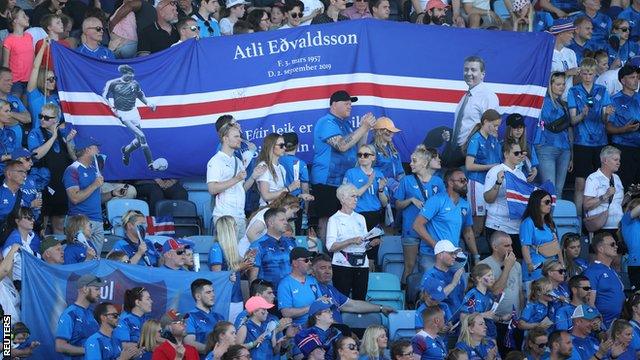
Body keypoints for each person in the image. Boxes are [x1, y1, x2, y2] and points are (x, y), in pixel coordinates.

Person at [310, 90, 376, 241]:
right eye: (346, 103)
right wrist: (363, 128)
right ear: (334, 104)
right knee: (327, 218)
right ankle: (326, 256)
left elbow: (360, 147)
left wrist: (365, 130)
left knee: (344, 217)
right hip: (326, 181)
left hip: (344, 181)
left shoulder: (346, 124)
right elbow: (341, 146)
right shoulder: (327, 122)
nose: (349, 105)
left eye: (350, 103)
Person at [569, 57, 614, 216]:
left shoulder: (602, 90)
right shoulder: (573, 91)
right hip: (581, 142)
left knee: (600, 184)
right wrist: (582, 115)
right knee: (580, 184)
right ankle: (578, 222)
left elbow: (604, 120)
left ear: (596, 73)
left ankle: (597, 219)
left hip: (600, 143)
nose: (588, 77)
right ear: (580, 73)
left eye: (591, 74)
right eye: (585, 73)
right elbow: (573, 120)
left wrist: (607, 115)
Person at [207, 119, 264, 241]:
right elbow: (212, 189)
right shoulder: (216, 161)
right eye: (236, 136)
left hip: (239, 216)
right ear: (225, 138)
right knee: (228, 256)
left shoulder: (237, 161)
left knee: (239, 256)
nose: (240, 139)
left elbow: (241, 189)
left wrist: (253, 176)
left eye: (240, 136)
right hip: (224, 216)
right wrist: (236, 179)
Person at [395, 145, 444, 284]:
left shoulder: (438, 182)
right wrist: (410, 200)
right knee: (409, 266)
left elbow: (443, 204)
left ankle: (426, 297)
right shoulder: (407, 180)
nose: (410, 164)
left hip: (431, 232)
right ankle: (405, 299)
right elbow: (397, 205)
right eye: (411, 160)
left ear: (424, 162)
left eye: (414, 161)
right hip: (411, 230)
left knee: (431, 267)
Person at [412, 167, 477, 272]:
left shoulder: (465, 204)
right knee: (432, 287)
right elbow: (417, 225)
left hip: (454, 257)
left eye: (466, 180)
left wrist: (476, 256)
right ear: (450, 183)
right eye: (461, 180)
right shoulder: (436, 200)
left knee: (458, 286)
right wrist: (437, 246)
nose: (465, 183)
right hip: (431, 255)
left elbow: (468, 232)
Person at [444, 55, 499, 168]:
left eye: (473, 70)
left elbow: (492, 130)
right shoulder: (466, 96)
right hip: (457, 153)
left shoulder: (488, 96)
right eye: (466, 69)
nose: (468, 73)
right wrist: (451, 137)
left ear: (483, 74)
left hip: (474, 156)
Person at [28, 102, 75, 235]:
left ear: (56, 119)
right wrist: (53, 137)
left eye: (47, 117)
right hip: (41, 184)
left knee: (59, 226)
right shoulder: (35, 133)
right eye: (41, 116)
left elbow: (73, 158)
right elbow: (36, 155)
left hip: (60, 183)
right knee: (39, 226)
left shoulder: (63, 133)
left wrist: (69, 142)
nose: (42, 119)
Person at [310, 253, 396, 326]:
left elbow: (353, 305)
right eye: (323, 268)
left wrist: (381, 308)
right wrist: (344, 331)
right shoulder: (311, 289)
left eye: (330, 268)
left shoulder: (332, 290)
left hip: (338, 333)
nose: (328, 271)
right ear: (313, 272)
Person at [479, 230, 523, 356]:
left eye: (511, 245)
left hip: (514, 322)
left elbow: (519, 292)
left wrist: (519, 316)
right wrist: (507, 267)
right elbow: (496, 291)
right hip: (494, 323)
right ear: (495, 247)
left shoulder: (517, 265)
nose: (511, 249)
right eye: (506, 246)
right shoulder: (484, 265)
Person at [343, 144, 387, 269]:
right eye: (359, 155)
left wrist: (381, 190)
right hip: (357, 215)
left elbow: (384, 202)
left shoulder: (379, 174)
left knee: (372, 254)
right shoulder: (351, 173)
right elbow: (353, 195)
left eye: (366, 155)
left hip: (374, 215)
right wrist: (369, 183)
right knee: (357, 250)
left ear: (373, 157)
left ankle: (371, 281)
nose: (362, 157)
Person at [484, 140, 527, 259]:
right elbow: (488, 198)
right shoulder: (495, 171)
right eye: (516, 153)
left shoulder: (521, 175)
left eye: (521, 152)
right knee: (499, 265)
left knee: (515, 264)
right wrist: (498, 182)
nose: (520, 155)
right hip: (497, 225)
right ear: (506, 154)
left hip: (516, 228)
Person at [325, 183, 370, 300]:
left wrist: (371, 243)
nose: (356, 199)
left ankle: (359, 319)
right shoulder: (334, 219)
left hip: (362, 263)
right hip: (342, 263)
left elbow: (363, 242)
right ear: (343, 199)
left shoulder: (361, 218)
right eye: (352, 196)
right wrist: (351, 241)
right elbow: (330, 246)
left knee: (360, 298)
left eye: (356, 197)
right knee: (342, 299)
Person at [463, 109, 502, 237]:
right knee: (477, 224)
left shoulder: (493, 139)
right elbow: (469, 165)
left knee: (488, 222)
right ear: (485, 122)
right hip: (477, 183)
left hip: (489, 184)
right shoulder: (476, 139)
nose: (496, 128)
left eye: (498, 126)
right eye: (494, 125)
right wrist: (490, 166)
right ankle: (473, 255)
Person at [62, 136, 105, 254]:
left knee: (95, 261)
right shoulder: (72, 169)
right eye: (96, 148)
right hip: (80, 222)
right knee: (80, 259)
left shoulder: (94, 170)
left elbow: (96, 198)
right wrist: (95, 185)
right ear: (87, 149)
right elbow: (74, 198)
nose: (98, 151)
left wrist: (113, 193)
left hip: (97, 221)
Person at [210, 215, 253, 321]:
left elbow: (235, 273)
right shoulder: (216, 248)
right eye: (234, 225)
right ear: (229, 229)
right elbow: (217, 276)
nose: (237, 228)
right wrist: (239, 267)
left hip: (236, 296)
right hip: (225, 298)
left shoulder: (233, 249)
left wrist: (246, 263)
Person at [55, 274, 103, 359]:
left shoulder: (92, 313)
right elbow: (60, 346)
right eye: (96, 289)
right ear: (85, 289)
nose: (99, 293)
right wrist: (89, 350)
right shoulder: (70, 314)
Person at [583, 232, 625, 328]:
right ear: (600, 249)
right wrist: (600, 328)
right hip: (603, 327)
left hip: (617, 325)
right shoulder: (592, 272)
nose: (616, 247)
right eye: (612, 244)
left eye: (616, 244)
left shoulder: (612, 271)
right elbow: (589, 303)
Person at [607, 65, 640, 188]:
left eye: (637, 77)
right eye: (632, 77)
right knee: (623, 187)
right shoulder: (614, 100)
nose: (636, 80)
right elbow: (608, 127)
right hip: (623, 149)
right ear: (622, 80)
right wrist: (624, 129)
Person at [520, 190, 562, 283]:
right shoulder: (528, 222)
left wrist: (562, 264)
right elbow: (525, 246)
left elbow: (557, 246)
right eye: (547, 202)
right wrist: (529, 264)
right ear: (536, 203)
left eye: (551, 202)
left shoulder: (550, 223)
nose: (550, 204)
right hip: (536, 267)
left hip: (552, 268)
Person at [583, 146, 624, 238]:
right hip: (601, 228)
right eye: (615, 160)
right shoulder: (593, 178)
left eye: (619, 160)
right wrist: (605, 195)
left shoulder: (617, 178)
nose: (618, 163)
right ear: (605, 160)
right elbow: (586, 205)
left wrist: (630, 194)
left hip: (619, 227)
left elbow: (617, 203)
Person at [420, 240, 466, 321]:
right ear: (440, 254)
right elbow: (432, 300)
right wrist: (453, 283)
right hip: (439, 323)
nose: (454, 256)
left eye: (455, 253)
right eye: (451, 253)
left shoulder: (456, 273)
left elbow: (461, 297)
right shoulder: (430, 275)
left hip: (460, 321)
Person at [248, 208, 296, 285]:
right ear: (271, 223)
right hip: (269, 294)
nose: (286, 223)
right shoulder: (257, 245)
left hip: (291, 292)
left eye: (286, 220)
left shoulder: (291, 242)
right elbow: (253, 277)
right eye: (282, 220)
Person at [278, 247, 321, 327]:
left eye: (310, 259)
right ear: (295, 263)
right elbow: (286, 312)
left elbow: (320, 301)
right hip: (300, 330)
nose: (310, 263)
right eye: (306, 260)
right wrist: (311, 307)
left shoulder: (312, 280)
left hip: (319, 324)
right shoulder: (285, 284)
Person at [237, 295, 288, 360]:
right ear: (255, 311)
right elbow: (236, 349)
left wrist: (277, 343)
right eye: (264, 309)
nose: (267, 312)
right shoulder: (245, 327)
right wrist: (253, 343)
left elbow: (275, 352)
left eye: (266, 309)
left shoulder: (269, 325)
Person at [183, 278, 225, 356]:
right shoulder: (190, 316)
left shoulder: (220, 317)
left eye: (213, 291)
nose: (213, 295)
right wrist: (214, 351)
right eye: (208, 292)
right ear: (198, 296)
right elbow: (188, 342)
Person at [27, 38, 62, 129]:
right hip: (40, 136)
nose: (53, 81)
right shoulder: (34, 95)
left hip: (57, 137)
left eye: (54, 78)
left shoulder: (57, 97)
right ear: (42, 80)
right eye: (50, 79)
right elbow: (35, 68)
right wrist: (43, 47)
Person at [1, 207, 40, 287]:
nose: (32, 220)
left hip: (33, 284)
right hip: (21, 287)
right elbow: (7, 270)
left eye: (32, 217)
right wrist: (14, 291)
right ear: (17, 221)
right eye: (28, 218)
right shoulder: (13, 242)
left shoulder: (33, 239)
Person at [256, 133, 297, 206]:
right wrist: (289, 189)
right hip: (268, 210)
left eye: (285, 145)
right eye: (281, 145)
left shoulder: (281, 168)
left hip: (279, 209)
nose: (284, 148)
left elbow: (281, 192)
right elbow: (266, 196)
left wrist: (299, 196)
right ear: (271, 147)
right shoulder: (263, 166)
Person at [461, 264, 500, 339]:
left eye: (492, 275)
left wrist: (501, 318)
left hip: (490, 334)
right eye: (489, 276)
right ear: (478, 279)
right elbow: (463, 317)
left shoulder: (490, 295)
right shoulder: (472, 295)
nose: (492, 278)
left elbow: (489, 315)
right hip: (475, 337)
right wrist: (482, 315)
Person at [3, 7, 32, 98]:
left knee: (28, 106)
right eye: (24, 16)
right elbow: (5, 64)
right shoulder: (8, 40)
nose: (27, 18)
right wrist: (7, 82)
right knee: (16, 104)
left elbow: (32, 57)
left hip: (30, 79)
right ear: (15, 21)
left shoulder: (29, 36)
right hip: (15, 81)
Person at [371, 116, 403, 196]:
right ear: (379, 132)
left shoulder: (393, 150)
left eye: (392, 131)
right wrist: (388, 182)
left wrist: (403, 186)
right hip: (379, 191)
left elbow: (400, 172)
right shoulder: (371, 149)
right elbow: (368, 171)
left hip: (395, 193)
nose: (392, 134)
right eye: (389, 131)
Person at [549, 19, 580, 101]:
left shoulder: (571, 53)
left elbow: (574, 80)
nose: (572, 36)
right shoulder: (547, 53)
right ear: (560, 34)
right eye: (570, 33)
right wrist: (567, 73)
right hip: (552, 100)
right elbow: (545, 78)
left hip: (569, 99)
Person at [504, 113, 538, 182]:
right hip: (508, 181)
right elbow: (498, 165)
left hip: (524, 181)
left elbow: (534, 167)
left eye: (521, 127)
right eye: (515, 127)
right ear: (509, 128)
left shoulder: (529, 145)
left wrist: (534, 172)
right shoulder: (502, 145)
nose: (518, 130)